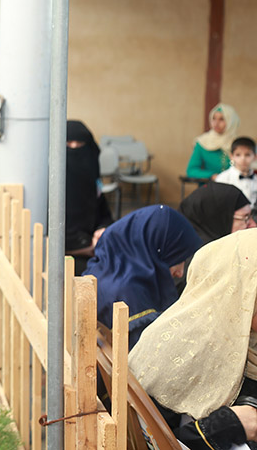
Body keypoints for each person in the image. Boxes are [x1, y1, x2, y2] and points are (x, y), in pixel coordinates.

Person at [129, 229, 257, 450]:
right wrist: (227, 425)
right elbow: (148, 442)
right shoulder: (175, 350)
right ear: (238, 290)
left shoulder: (248, 339)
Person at [82, 205, 202, 349]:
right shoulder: (132, 300)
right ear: (156, 248)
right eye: (178, 258)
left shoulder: (101, 270)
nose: (180, 272)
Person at [65, 120, 114, 270]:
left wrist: (102, 230)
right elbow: (45, 235)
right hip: (63, 257)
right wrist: (85, 247)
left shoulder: (93, 183)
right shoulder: (47, 186)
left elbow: (104, 214)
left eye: (80, 144)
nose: (74, 148)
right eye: (68, 144)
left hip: (94, 248)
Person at [179, 182, 255, 245]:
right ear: (217, 220)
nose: (253, 225)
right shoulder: (200, 256)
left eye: (251, 216)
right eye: (246, 218)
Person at [186, 103, 239, 180]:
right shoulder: (203, 142)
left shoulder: (239, 143)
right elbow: (191, 170)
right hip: (209, 185)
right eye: (214, 119)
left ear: (231, 121)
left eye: (222, 119)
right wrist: (212, 176)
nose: (216, 123)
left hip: (236, 184)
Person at [215, 136, 257, 205]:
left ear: (255, 157)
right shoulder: (223, 178)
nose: (243, 159)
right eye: (238, 155)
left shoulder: (255, 178)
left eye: (247, 155)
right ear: (231, 156)